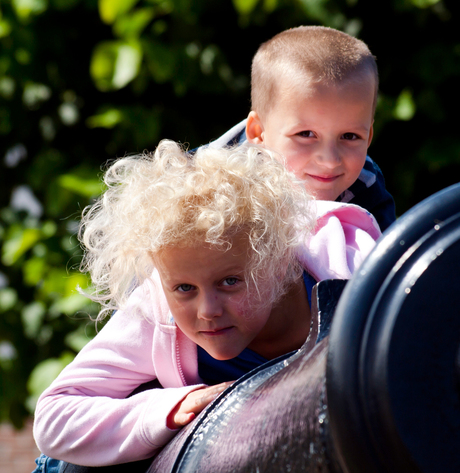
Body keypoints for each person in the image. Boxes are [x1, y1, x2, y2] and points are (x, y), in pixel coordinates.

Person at [33, 141, 380, 471]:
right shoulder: (157, 308)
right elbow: (54, 416)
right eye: (184, 288)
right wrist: (170, 409)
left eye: (230, 282)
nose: (207, 310)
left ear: (278, 264)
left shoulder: (349, 272)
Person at [202, 25, 396, 232]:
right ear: (258, 133)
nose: (329, 160)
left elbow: (388, 257)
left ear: (368, 138)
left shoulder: (366, 184)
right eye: (306, 134)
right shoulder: (211, 189)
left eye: (349, 136)